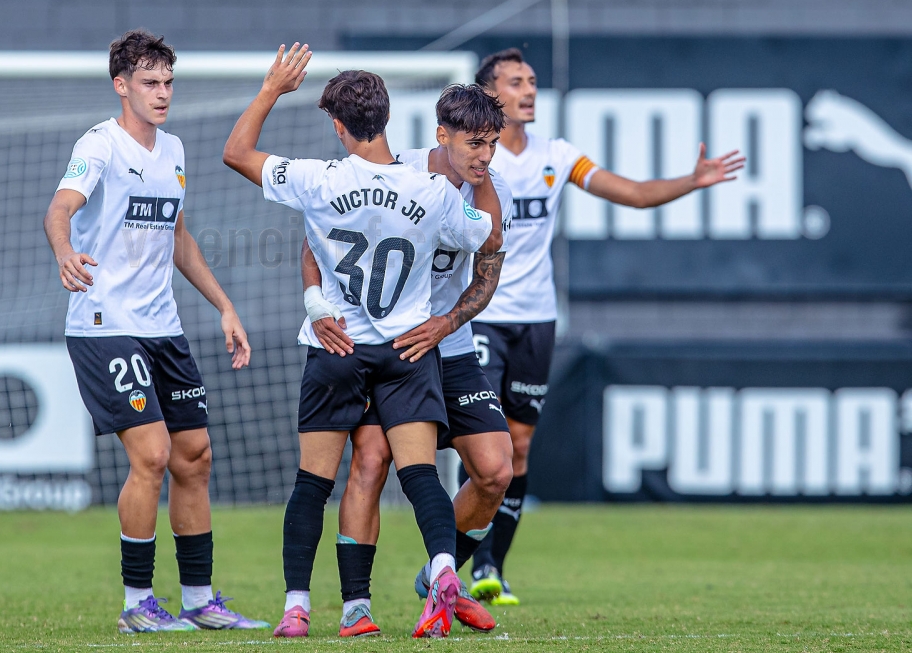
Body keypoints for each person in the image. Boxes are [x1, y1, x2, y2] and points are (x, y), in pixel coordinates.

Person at [222, 45, 502, 639]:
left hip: (337, 347)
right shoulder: (429, 190)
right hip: (406, 351)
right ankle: (445, 568)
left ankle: (298, 607)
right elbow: (485, 236)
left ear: (339, 126)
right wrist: (481, 184)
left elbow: (235, 153)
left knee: (313, 483)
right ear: (388, 118)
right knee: (422, 474)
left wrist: (273, 88)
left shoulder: (317, 179)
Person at [467, 48, 746, 605]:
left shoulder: (557, 155)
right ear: (490, 94)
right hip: (483, 316)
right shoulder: (473, 159)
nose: (529, 90)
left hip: (536, 320)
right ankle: (459, 559)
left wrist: (692, 181)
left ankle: (490, 566)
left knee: (519, 447)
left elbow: (636, 195)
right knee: (484, 445)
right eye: (516, 82)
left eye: (533, 81)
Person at [44, 29, 268, 633]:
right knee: (153, 453)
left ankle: (198, 600)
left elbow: (179, 238)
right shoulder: (99, 145)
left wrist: (224, 305)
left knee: (194, 458)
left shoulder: (172, 149)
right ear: (122, 86)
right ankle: (136, 604)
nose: (163, 92)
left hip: (162, 327)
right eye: (150, 82)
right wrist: (65, 250)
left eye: (168, 82)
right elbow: (59, 208)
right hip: (104, 324)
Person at [299, 84, 515, 635]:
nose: (485, 156)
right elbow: (324, 235)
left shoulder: (493, 192)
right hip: (390, 347)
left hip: (450, 346)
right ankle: (357, 606)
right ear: (443, 136)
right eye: (475, 144)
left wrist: (447, 323)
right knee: (370, 463)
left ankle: (439, 573)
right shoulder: (401, 170)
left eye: (493, 144)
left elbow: (487, 280)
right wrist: (317, 302)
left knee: (495, 470)